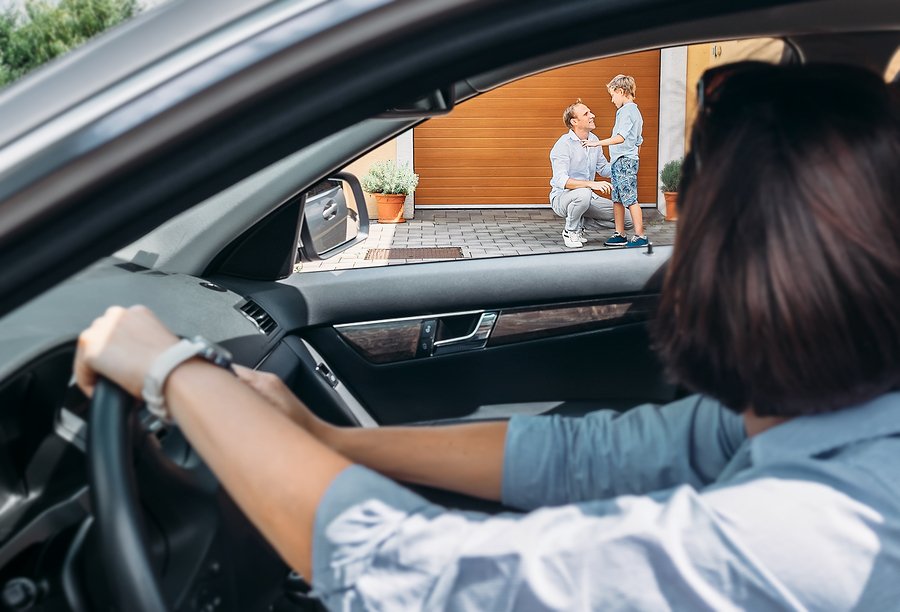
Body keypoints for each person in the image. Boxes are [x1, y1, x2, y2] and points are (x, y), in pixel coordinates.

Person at [75, 62, 900, 610]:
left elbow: (428, 577)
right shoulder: (825, 412)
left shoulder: (824, 535)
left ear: (740, 254)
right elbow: (600, 458)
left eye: (696, 208)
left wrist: (178, 371)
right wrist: (324, 439)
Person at [549, 98, 633, 248]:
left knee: (628, 220)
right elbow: (561, 180)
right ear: (574, 122)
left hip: (588, 197)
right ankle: (570, 231)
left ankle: (580, 222)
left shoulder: (594, 140)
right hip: (562, 198)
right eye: (586, 113)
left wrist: (624, 164)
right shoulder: (563, 144)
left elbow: (604, 169)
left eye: (590, 112)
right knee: (583, 193)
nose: (592, 115)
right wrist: (591, 184)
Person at [583, 74, 646, 248]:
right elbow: (639, 141)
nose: (612, 100)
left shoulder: (628, 111)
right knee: (617, 199)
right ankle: (620, 234)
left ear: (621, 91)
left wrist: (596, 143)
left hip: (625, 161)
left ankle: (640, 236)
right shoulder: (631, 111)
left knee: (630, 199)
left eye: (612, 95)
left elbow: (620, 137)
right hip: (620, 161)